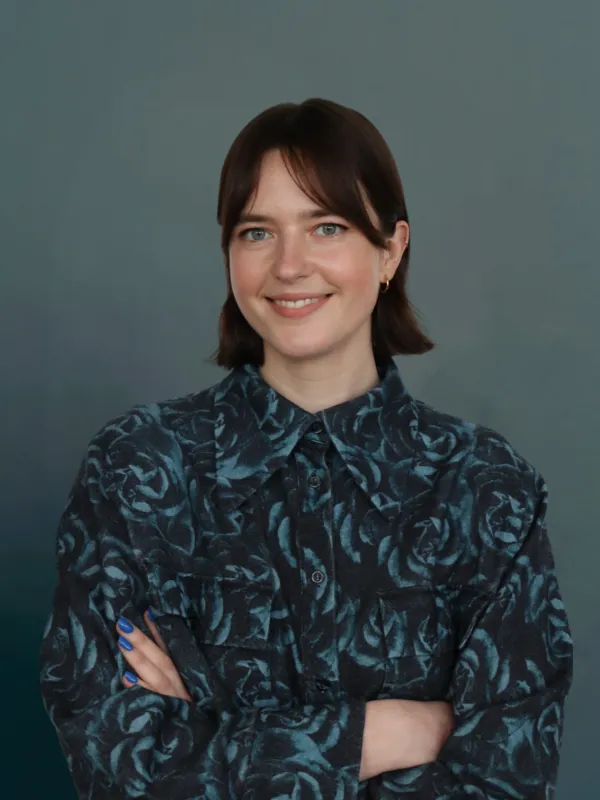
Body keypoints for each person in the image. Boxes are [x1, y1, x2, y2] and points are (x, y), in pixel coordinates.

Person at [39, 97, 573, 799]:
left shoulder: (484, 490)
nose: (290, 265)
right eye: (257, 232)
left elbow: (508, 776)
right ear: (229, 253)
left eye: (327, 227)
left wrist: (215, 724)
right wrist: (397, 731)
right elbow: (123, 771)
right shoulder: (139, 471)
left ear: (391, 250)